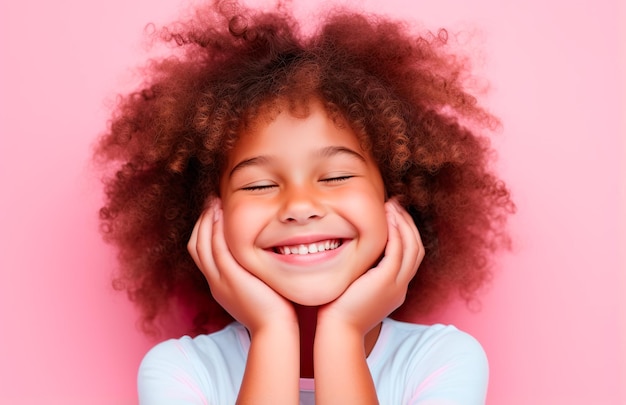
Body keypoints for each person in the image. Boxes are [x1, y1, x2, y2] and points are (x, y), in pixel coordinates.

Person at [95, 1, 514, 403]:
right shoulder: (182, 371)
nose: (300, 205)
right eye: (259, 185)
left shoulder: (440, 361)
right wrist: (273, 332)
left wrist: (342, 333)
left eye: (335, 177)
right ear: (212, 214)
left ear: (395, 199)